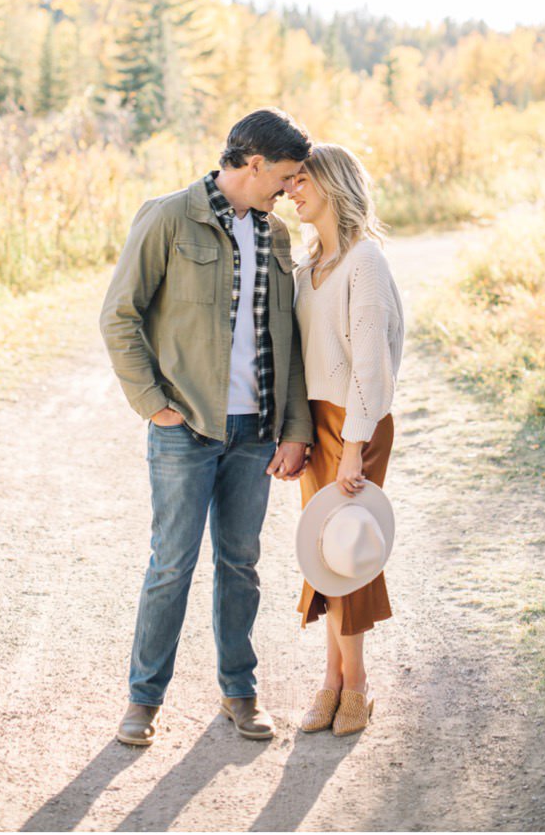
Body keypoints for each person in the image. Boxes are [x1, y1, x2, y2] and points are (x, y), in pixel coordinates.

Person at [100, 108, 314, 746]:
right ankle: (143, 700)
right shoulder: (169, 216)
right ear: (253, 165)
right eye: (284, 174)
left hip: (254, 434)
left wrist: (294, 428)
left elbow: (289, 343)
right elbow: (119, 316)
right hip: (184, 429)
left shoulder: (276, 236)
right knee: (171, 565)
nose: (289, 186)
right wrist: (153, 404)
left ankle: (240, 693)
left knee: (241, 564)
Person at [285, 143, 404, 737]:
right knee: (323, 551)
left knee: (349, 545)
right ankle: (332, 677)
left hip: (357, 425)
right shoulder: (308, 270)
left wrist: (354, 444)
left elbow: (372, 368)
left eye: (302, 181)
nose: (291, 191)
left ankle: (353, 684)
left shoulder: (365, 262)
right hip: (316, 424)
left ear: (333, 184)